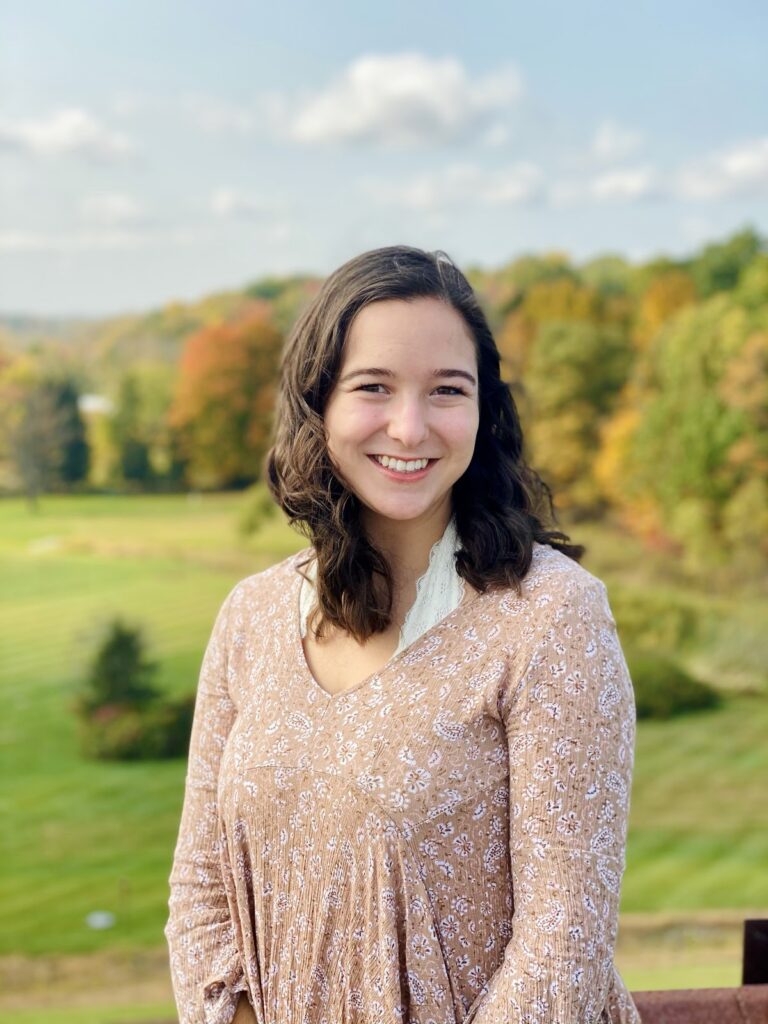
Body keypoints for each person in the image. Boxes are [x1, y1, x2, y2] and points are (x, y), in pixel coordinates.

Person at [165, 245, 641, 1024]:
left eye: (446, 390)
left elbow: (564, 940)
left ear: (483, 409)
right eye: (373, 387)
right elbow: (201, 889)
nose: (410, 426)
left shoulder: (552, 617)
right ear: (319, 402)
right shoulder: (249, 617)